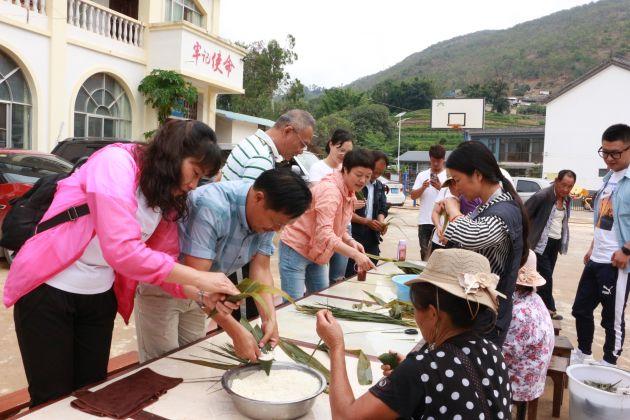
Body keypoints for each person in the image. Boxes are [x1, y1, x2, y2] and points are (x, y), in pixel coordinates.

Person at [4, 120, 241, 406]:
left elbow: (160, 265)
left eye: (201, 178)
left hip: (99, 296)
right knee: (50, 398)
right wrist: (201, 277)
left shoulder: (162, 195)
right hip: (49, 290)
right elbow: (122, 250)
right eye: (194, 171)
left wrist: (198, 292)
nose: (192, 185)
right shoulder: (115, 163)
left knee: (91, 393)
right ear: (174, 154)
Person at [134, 169, 312, 362]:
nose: (277, 230)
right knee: (163, 365)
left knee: (191, 359)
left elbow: (260, 268)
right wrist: (235, 331)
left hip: (206, 296)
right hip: (168, 288)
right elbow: (197, 278)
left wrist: (269, 318)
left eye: (283, 226)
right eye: (276, 223)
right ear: (259, 198)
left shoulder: (268, 215)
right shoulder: (212, 206)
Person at [315, 248, 511, 420]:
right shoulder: (494, 352)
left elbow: (345, 416)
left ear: (433, 314)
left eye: (415, 308)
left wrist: (336, 345)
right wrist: (409, 380)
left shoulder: (421, 370)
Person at [439, 141, 528, 346]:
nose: (457, 186)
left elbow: (473, 235)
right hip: (480, 312)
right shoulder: (488, 206)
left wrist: (453, 211)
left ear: (477, 175)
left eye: (458, 179)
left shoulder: (504, 209)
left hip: (488, 320)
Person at [279, 149, 376, 300]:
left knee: (321, 300)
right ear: (345, 170)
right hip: (296, 249)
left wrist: (351, 242)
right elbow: (325, 233)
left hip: (318, 252)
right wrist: (355, 254)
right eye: (358, 175)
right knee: (293, 304)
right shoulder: (331, 191)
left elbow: (336, 226)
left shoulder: (348, 191)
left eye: (367, 177)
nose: (363, 180)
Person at [572, 123, 630, 367]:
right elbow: (604, 219)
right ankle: (584, 353)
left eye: (615, 153)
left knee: (612, 318)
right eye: (604, 152)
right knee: (581, 309)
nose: (609, 158)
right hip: (597, 258)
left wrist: (627, 250)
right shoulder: (607, 179)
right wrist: (592, 245)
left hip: (616, 262)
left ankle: (609, 362)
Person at [503, 251, 554, 420]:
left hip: (522, 380)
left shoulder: (520, 313)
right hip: (533, 374)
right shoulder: (534, 298)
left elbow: (505, 355)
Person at [525, 170, 576, 320]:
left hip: (555, 243)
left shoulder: (567, 200)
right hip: (540, 244)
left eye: (570, 186)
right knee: (546, 277)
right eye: (563, 185)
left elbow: (562, 222)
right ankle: (550, 308)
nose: (566, 189)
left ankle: (538, 307)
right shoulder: (543, 196)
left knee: (545, 276)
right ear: (556, 181)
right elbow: (524, 215)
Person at [309, 128, 357, 283]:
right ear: (331, 145)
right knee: (319, 274)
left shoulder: (346, 170)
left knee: (337, 277)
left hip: (343, 228)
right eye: (341, 149)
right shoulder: (318, 168)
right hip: (324, 226)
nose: (344, 155)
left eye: (348, 152)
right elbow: (318, 197)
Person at [221, 109, 315, 181]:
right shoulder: (261, 159)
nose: (301, 151)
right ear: (288, 131)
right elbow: (252, 205)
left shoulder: (251, 141)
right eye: (302, 144)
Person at [346, 151, 389, 277]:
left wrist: (381, 222)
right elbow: (346, 213)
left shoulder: (379, 186)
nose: (376, 175)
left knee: (371, 270)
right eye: (374, 172)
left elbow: (382, 208)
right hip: (354, 235)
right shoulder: (356, 185)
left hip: (372, 236)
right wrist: (366, 221)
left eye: (380, 173)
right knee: (351, 272)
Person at [410, 145, 447, 261]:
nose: (436, 164)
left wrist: (441, 187)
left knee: (440, 254)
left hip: (442, 223)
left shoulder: (448, 176)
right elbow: (413, 196)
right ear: (430, 158)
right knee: (425, 252)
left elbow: (453, 198)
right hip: (424, 221)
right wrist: (423, 187)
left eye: (439, 161)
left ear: (443, 159)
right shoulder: (422, 175)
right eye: (433, 160)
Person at [430, 173, 460, 251]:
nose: (449, 187)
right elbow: (435, 212)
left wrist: (450, 237)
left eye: (450, 184)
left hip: (454, 244)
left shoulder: (468, 197)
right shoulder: (445, 190)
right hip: (438, 240)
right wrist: (438, 226)